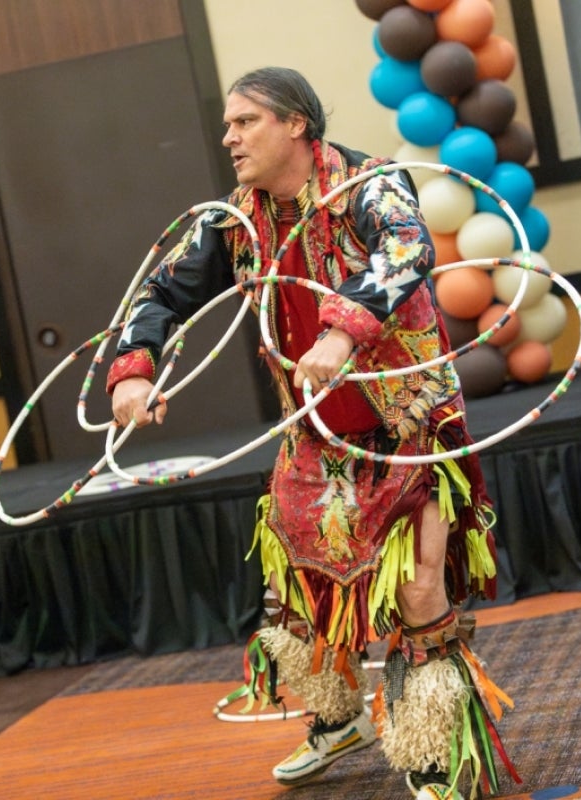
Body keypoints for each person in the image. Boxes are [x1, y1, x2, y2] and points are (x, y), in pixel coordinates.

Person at [108, 68, 517, 800]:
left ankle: (435, 754)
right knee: (295, 586)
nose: (228, 136)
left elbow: (407, 252)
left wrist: (343, 329)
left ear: (296, 123)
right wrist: (134, 372)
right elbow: (162, 289)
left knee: (419, 587)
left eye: (245, 121)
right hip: (316, 429)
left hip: (403, 418)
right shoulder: (237, 217)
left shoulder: (369, 184)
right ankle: (338, 721)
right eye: (227, 124)